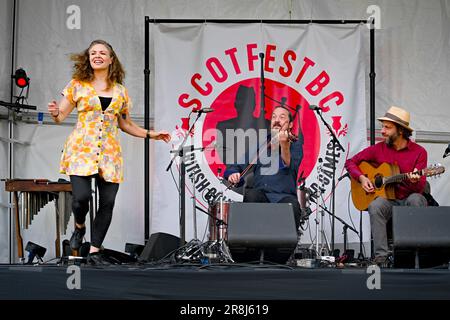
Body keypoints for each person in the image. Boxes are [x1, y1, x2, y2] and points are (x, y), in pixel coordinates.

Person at [48, 39, 171, 265]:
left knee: (107, 202)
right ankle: (79, 227)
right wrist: (56, 112)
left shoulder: (120, 91)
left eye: (102, 53)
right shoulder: (77, 84)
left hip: (109, 153)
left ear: (111, 59)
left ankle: (94, 251)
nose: (97, 55)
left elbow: (125, 124)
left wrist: (152, 134)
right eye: (93, 52)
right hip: (81, 150)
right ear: (88, 58)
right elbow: (60, 117)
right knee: (81, 199)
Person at [345, 106, 427, 266]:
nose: (382, 131)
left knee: (416, 199)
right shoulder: (378, 149)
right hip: (389, 201)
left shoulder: (419, 152)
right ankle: (381, 258)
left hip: (408, 197)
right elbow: (350, 162)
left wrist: (413, 180)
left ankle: (412, 254)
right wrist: (362, 178)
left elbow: (420, 189)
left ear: (401, 130)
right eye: (382, 126)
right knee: (375, 205)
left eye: (387, 127)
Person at [224, 106, 303, 232]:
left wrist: (284, 145)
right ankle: (251, 246)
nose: (277, 120)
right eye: (274, 117)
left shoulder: (295, 144)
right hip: (262, 196)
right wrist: (233, 174)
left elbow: (289, 165)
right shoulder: (261, 143)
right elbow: (237, 165)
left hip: (284, 197)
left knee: (292, 206)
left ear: (290, 124)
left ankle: (283, 249)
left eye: (282, 117)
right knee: (251, 195)